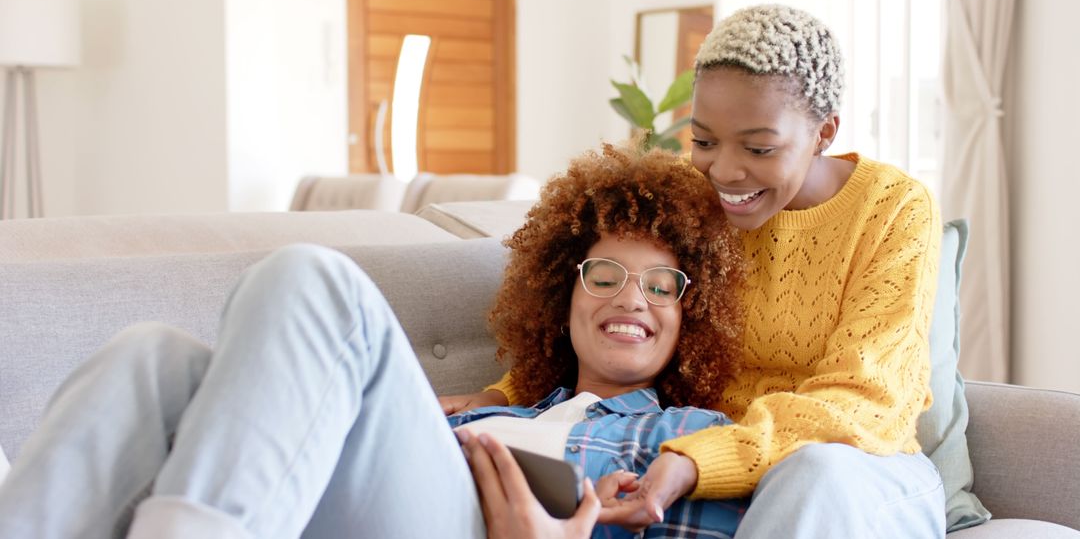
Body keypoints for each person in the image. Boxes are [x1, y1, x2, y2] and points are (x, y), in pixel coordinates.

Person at [0, 143, 747, 538]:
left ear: (692, 318)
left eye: (661, 286)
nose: (630, 299)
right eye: (606, 273)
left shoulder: (691, 440)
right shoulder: (500, 409)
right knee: (151, 358)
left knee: (318, 283)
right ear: (564, 292)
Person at [442, 4, 947, 538]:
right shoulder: (695, 197)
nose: (724, 171)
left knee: (811, 473)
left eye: (758, 147)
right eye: (704, 141)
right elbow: (619, 315)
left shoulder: (892, 209)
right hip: (708, 457)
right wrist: (504, 396)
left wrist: (699, 460)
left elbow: (866, 400)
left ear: (824, 132)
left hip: (858, 465)